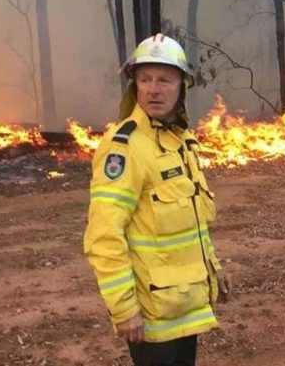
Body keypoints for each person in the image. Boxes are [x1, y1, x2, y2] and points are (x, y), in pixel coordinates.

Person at [84, 33, 231, 366]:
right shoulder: (124, 147)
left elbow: (192, 221)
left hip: (184, 302)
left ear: (181, 86)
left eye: (164, 79)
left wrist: (214, 268)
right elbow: (103, 236)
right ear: (134, 86)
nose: (153, 89)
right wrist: (123, 308)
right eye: (145, 79)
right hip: (149, 314)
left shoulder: (181, 142)